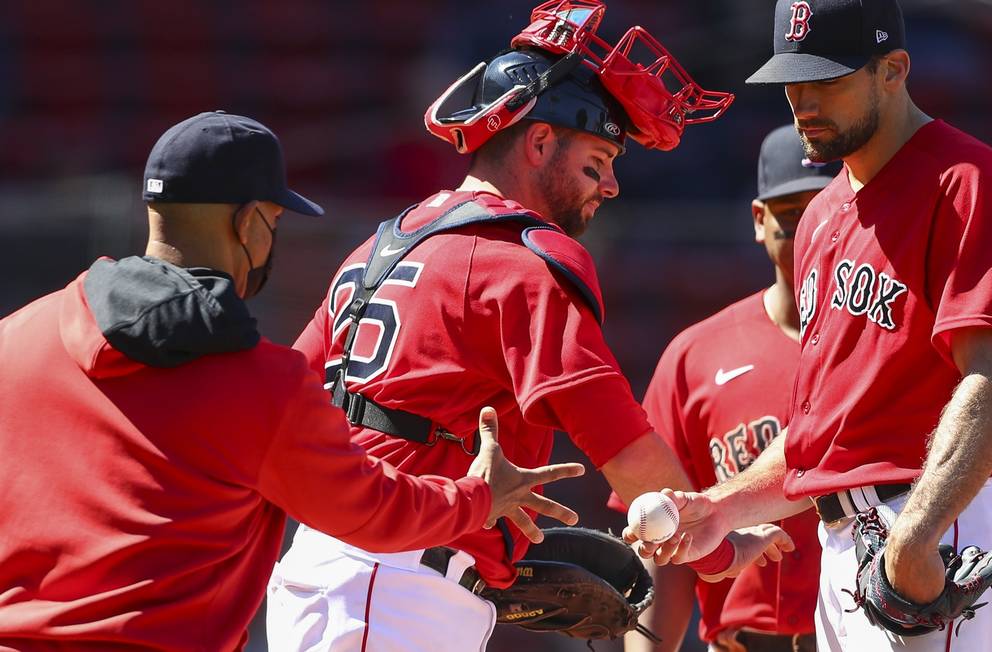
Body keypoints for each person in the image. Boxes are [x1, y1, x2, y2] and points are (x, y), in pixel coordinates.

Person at [266, 3, 793, 651]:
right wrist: (718, 543)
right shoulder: (520, 260)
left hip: (340, 571)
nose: (611, 185)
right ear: (540, 142)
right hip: (395, 588)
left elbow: (286, 410)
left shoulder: (382, 244)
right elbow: (623, 450)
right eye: (598, 160)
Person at [0, 111, 588, 651]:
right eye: (275, 220)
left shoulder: (16, 338)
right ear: (252, 222)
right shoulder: (258, 385)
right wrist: (479, 498)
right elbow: (374, 511)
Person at [627, 1, 992, 651]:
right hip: (841, 534)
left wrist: (916, 535)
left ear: (893, 70)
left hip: (933, 519)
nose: (804, 103)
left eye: (827, 80)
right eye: (794, 83)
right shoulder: (821, 218)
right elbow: (821, 432)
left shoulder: (964, 180)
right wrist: (721, 507)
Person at [617, 125, 838, 652]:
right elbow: (665, 544)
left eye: (824, 206)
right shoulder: (695, 356)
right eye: (792, 212)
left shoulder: (889, 345)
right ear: (760, 221)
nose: (809, 226)